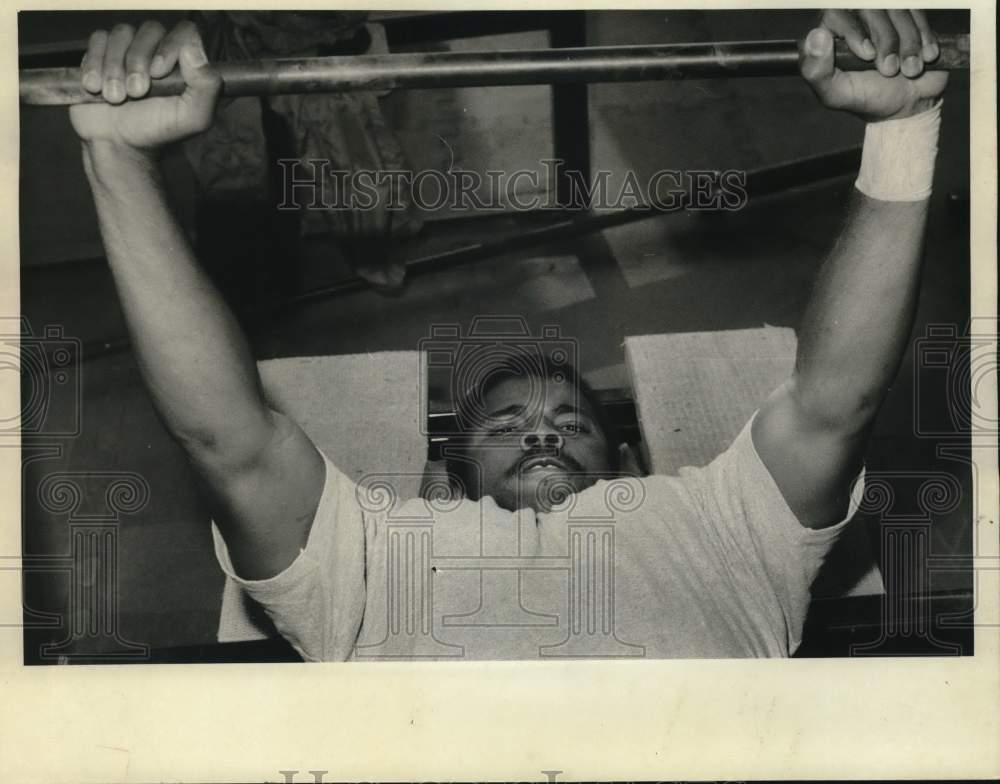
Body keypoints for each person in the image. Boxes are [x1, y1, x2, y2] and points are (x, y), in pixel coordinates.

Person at [70, 10, 949, 660]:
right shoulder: (372, 553)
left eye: (572, 423)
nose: (540, 431)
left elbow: (834, 402)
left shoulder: (716, 522)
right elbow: (228, 439)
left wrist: (904, 130)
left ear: (631, 461)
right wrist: (117, 157)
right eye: (504, 427)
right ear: (449, 480)